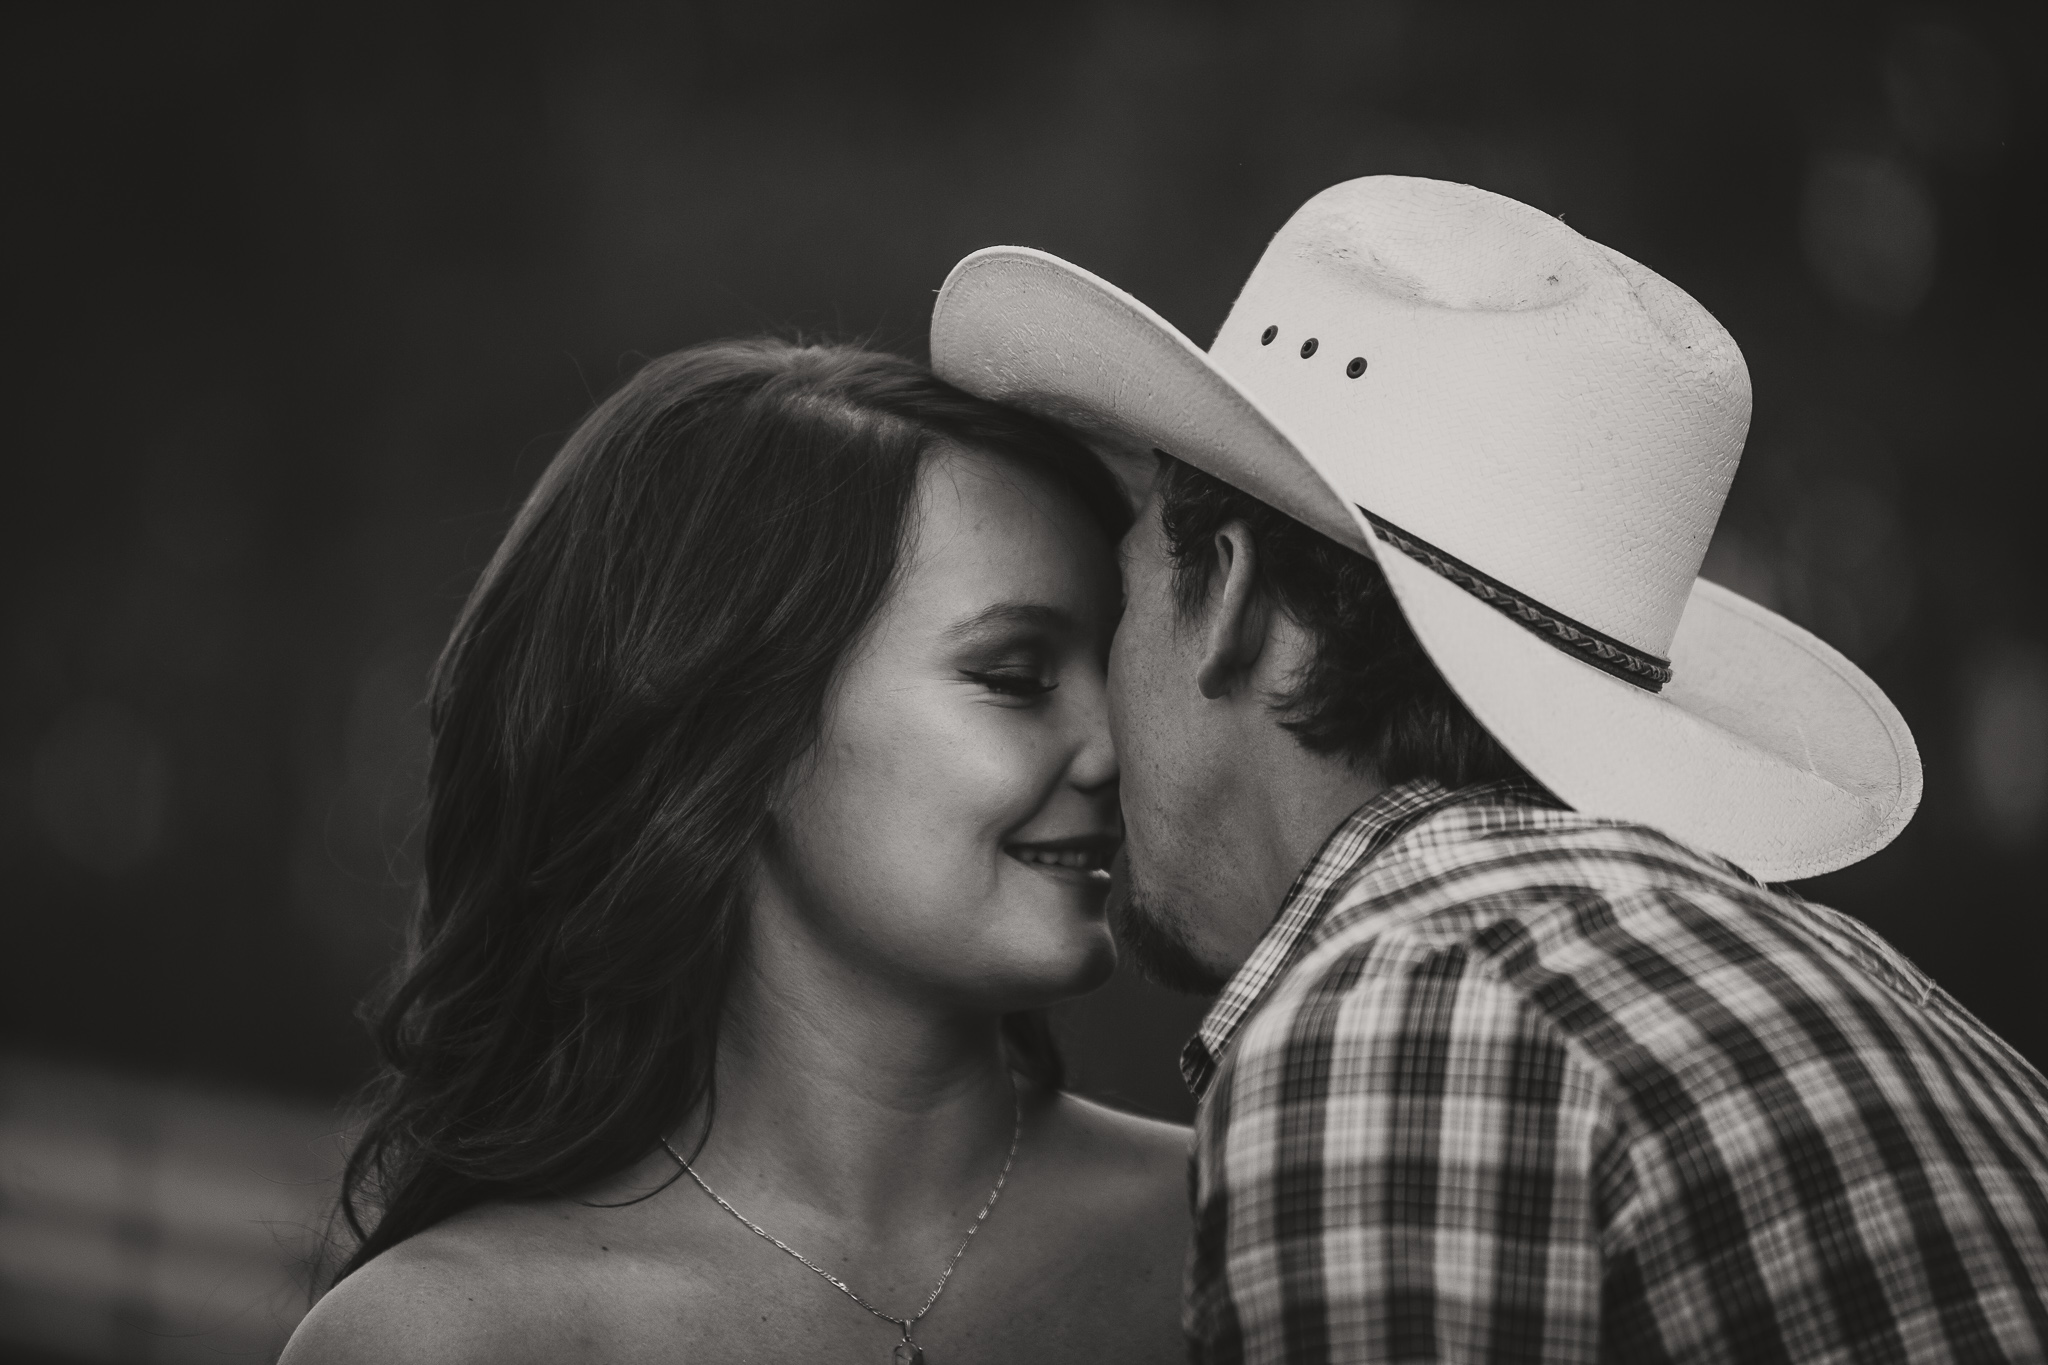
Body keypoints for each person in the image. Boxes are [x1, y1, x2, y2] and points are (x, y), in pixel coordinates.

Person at [932, 177, 2048, 1362]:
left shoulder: (1406, 1016)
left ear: (1229, 597)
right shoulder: (1878, 993)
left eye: (1122, 597)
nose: (1097, 722)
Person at [282, 340, 1191, 1365]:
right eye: (1014, 675)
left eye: (1114, 673)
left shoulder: (1241, 1235)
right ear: (735, 730)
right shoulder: (442, 1339)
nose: (1117, 752)